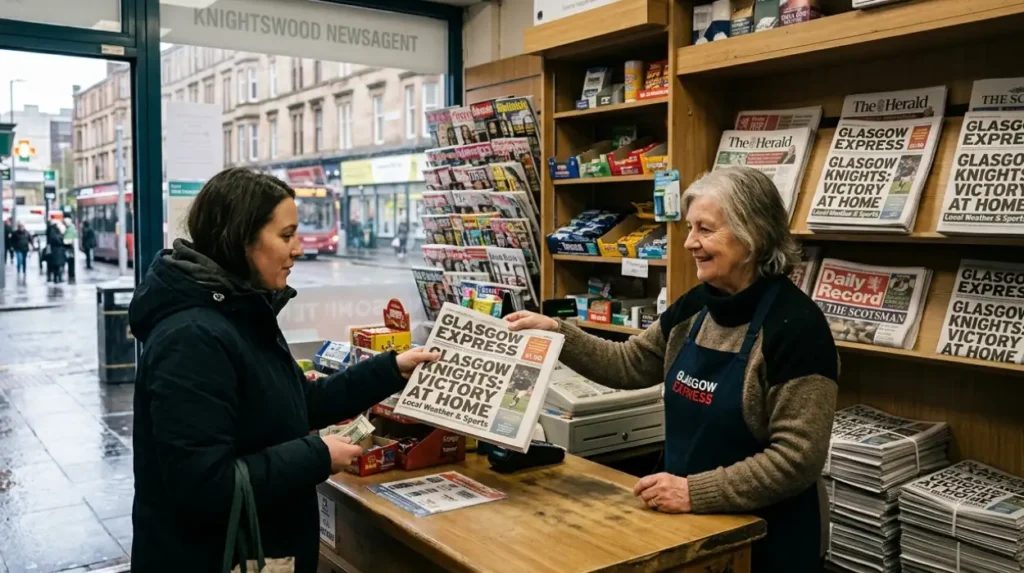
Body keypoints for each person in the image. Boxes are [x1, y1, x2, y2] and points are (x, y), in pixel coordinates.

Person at [506, 166, 838, 572]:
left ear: (752, 235)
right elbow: (629, 363)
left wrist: (694, 492)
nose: (689, 242)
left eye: (705, 229)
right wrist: (557, 332)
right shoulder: (698, 305)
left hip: (765, 543)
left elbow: (797, 458)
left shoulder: (797, 328)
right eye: (689, 228)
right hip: (689, 530)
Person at [128, 167, 439, 573]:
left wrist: (392, 369)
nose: (298, 249)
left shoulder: (240, 309)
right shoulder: (192, 338)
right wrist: (317, 455)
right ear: (241, 238)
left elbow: (297, 401)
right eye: (286, 235)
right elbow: (203, 485)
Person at [63, 219, 78, 284]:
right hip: (71, 248)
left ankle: (71, 274)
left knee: (70, 262)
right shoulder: (72, 229)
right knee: (71, 262)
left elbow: (67, 240)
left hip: (69, 248)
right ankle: (72, 274)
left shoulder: (69, 229)